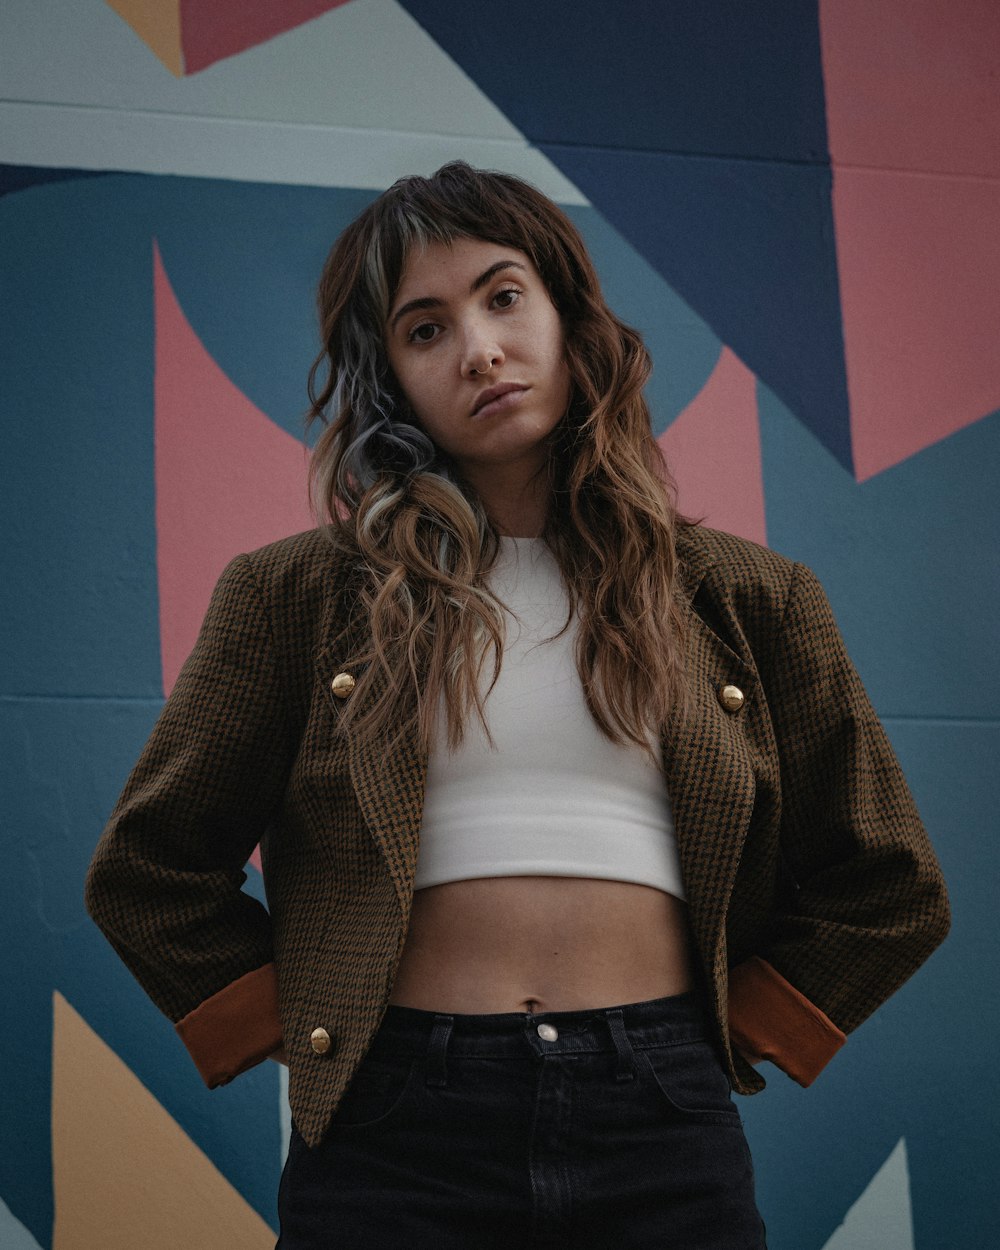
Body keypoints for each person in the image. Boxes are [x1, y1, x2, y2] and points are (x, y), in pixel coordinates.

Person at [85, 161, 949, 1248]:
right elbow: (147, 866)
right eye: (424, 328)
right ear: (390, 376)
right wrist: (317, 1020)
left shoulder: (750, 595)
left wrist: (737, 1028)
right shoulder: (295, 594)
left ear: (567, 315)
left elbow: (890, 879)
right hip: (391, 1124)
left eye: (502, 297)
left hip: (661, 1116)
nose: (480, 349)